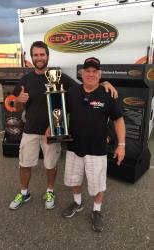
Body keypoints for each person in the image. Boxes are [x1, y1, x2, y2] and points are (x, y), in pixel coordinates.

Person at [9, 41, 118, 210]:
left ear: (47, 56)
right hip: (30, 130)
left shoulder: (56, 75)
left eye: (42, 54)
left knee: (51, 165)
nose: (39, 58)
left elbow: (84, 87)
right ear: (32, 57)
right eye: (36, 55)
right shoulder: (26, 79)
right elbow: (15, 107)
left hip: (53, 131)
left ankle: (50, 191)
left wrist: (104, 84)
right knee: (24, 164)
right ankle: (24, 193)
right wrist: (17, 101)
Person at [61, 57, 125, 232]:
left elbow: (118, 120)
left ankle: (96, 211)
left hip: (97, 150)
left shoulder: (107, 94)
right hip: (74, 146)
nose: (90, 74)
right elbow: (58, 113)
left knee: (98, 184)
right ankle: (78, 202)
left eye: (94, 71)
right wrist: (50, 128)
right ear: (81, 73)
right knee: (74, 179)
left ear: (100, 74)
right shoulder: (72, 92)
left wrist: (121, 145)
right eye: (87, 70)